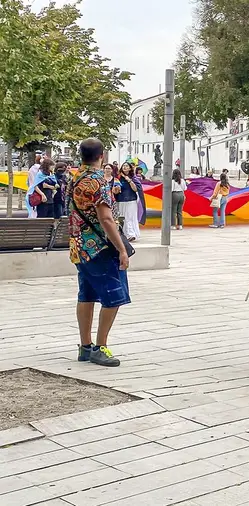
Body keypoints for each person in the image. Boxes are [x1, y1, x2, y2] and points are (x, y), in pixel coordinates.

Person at [68, 138, 130, 367]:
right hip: (99, 248)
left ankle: (85, 346)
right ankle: (100, 346)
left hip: (78, 246)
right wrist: (122, 249)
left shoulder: (75, 178)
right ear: (101, 155)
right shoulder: (97, 181)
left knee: (86, 294)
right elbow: (105, 218)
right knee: (114, 295)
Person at [116, 162, 142, 242]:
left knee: (129, 217)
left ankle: (131, 234)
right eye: (123, 166)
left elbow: (136, 189)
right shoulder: (118, 178)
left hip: (131, 200)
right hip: (120, 200)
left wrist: (129, 180)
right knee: (122, 218)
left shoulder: (133, 178)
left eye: (127, 166)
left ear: (130, 168)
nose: (124, 167)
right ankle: (124, 234)